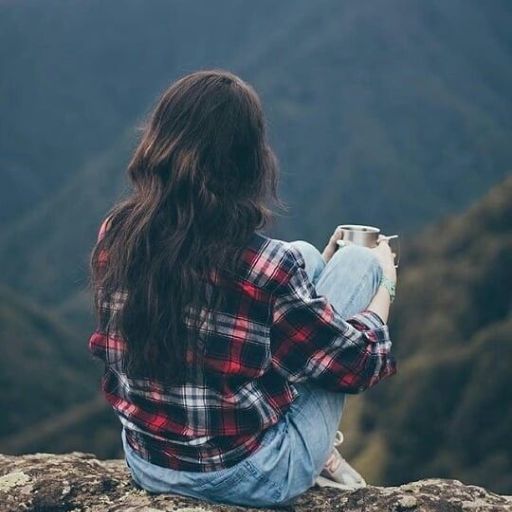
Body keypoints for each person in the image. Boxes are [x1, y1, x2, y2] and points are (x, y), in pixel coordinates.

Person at [88, 69, 398, 508]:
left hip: (148, 462)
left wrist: (309, 276)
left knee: (306, 255)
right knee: (357, 261)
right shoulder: (263, 266)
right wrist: (384, 279)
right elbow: (358, 365)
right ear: (247, 161)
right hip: (247, 477)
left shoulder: (117, 235)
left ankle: (316, 299)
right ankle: (315, 450)